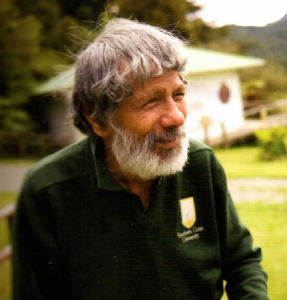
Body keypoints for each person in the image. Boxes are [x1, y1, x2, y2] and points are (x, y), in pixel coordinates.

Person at [12, 19, 269, 300]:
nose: (177, 116)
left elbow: (242, 261)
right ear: (97, 118)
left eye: (178, 94)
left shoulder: (199, 162)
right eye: (152, 101)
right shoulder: (48, 190)